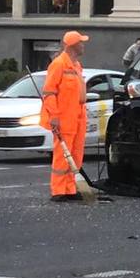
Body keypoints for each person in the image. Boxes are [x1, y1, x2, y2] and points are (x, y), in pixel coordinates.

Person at [40, 30, 89, 202]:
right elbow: (49, 92)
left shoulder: (76, 65)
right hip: (64, 117)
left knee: (75, 154)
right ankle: (59, 190)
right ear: (73, 45)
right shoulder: (59, 64)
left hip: (78, 116)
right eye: (81, 42)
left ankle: (70, 188)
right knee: (63, 155)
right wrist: (54, 116)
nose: (83, 45)